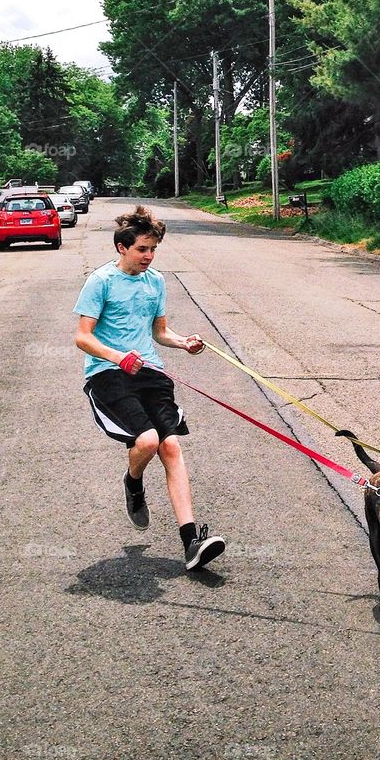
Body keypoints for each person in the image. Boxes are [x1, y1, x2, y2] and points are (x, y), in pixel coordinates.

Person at [73, 205, 225, 571]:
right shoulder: (101, 281)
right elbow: (83, 337)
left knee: (170, 445)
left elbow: (160, 332)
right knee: (147, 441)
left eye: (153, 249)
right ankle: (133, 481)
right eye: (142, 249)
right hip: (108, 373)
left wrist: (184, 342)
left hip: (150, 371)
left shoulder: (155, 281)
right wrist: (118, 357)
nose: (149, 256)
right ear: (122, 247)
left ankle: (191, 542)